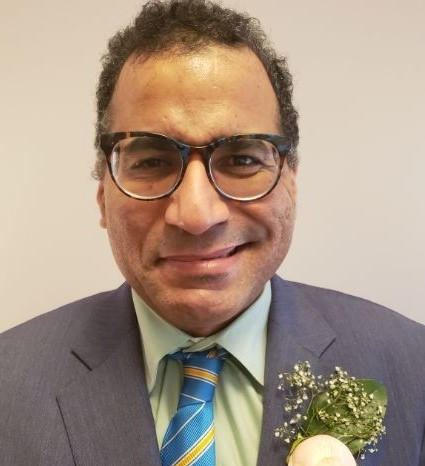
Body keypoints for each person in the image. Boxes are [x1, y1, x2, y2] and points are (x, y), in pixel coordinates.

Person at [1, 1, 424, 465]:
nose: (197, 215)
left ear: (292, 183)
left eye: (242, 158)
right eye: (152, 162)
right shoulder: (10, 384)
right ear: (103, 193)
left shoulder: (412, 366)